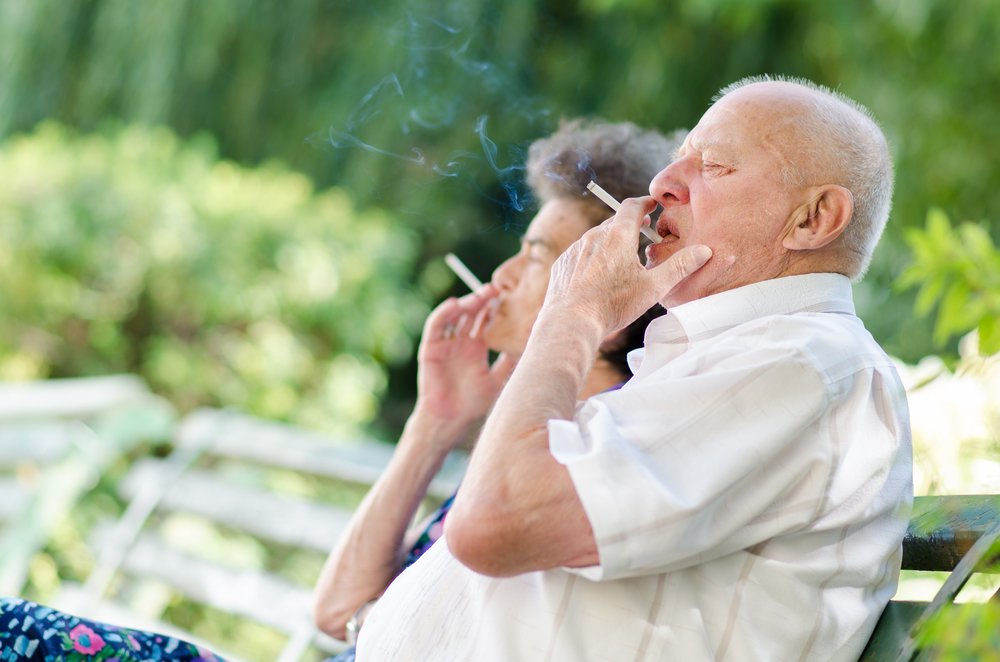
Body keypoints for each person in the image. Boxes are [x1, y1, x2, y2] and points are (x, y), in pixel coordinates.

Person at [354, 76, 913, 662]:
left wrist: (574, 313)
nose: (663, 184)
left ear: (815, 218)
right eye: (677, 160)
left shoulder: (804, 364)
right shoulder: (729, 359)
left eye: (714, 165)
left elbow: (496, 521)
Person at [312, 118, 687, 658]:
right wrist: (437, 421)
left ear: (613, 292)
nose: (504, 275)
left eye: (536, 255)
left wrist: (373, 619)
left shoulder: (575, 456)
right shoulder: (523, 435)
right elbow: (335, 612)